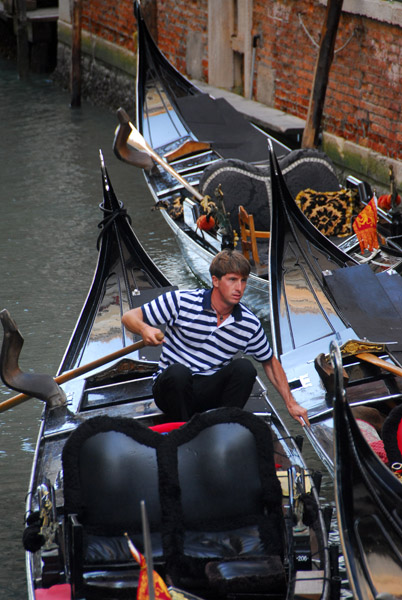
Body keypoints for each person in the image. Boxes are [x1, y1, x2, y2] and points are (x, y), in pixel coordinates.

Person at [122, 249, 309, 426]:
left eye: (243, 281)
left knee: (245, 368)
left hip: (210, 391)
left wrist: (290, 403)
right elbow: (129, 317)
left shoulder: (248, 323)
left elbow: (270, 363)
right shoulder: (180, 301)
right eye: (232, 280)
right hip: (172, 391)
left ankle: (225, 425)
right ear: (215, 281)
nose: (239, 288)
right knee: (178, 373)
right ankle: (184, 429)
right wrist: (145, 329)